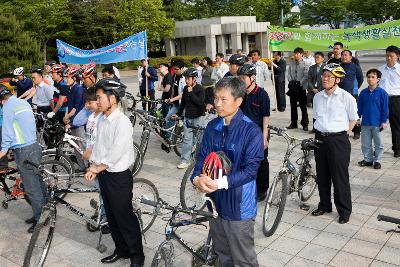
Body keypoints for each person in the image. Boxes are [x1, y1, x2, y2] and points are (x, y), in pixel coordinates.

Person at [191, 77, 264, 266]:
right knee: (222, 253)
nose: (217, 104)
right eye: (216, 98)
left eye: (224, 99)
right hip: (215, 203)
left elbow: (250, 170)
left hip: (239, 205)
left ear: (238, 101)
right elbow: (202, 157)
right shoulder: (212, 126)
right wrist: (197, 178)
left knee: (243, 258)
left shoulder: (251, 130)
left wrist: (219, 183)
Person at [85, 78, 144, 267]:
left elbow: (115, 152)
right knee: (111, 216)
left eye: (100, 97)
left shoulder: (123, 122)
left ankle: (137, 256)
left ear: (113, 99)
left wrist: (97, 167)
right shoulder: (102, 119)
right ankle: (121, 250)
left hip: (119, 177)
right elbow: (100, 147)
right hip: (104, 175)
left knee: (124, 217)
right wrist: (93, 164)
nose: (98, 100)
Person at [312, 63, 358, 224]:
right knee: (322, 175)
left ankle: (344, 211)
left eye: (329, 76)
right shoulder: (317, 97)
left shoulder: (347, 97)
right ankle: (324, 205)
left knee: (340, 177)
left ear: (337, 79)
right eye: (324, 75)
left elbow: (354, 118)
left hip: (338, 140)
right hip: (320, 139)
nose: (325, 78)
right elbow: (316, 117)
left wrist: (345, 133)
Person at [0, 85, 46, 233]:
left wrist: (3, 150)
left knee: (31, 187)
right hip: (33, 146)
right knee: (38, 181)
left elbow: (7, 131)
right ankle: (44, 212)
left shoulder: (7, 107)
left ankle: (40, 218)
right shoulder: (22, 102)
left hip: (24, 150)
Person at [238, 64, 271, 202]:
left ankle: (262, 190)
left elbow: (265, 118)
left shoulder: (262, 94)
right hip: (242, 134)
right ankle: (247, 186)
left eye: (243, 78)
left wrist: (264, 138)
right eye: (239, 78)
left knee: (261, 162)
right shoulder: (240, 94)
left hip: (258, 134)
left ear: (252, 78)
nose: (241, 80)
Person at [172, 68, 205, 169]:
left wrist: (191, 93)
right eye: (185, 78)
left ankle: (199, 160)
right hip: (188, 118)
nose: (186, 81)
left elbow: (200, 103)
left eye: (188, 78)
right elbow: (183, 104)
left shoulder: (200, 89)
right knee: (187, 140)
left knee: (199, 140)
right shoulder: (186, 88)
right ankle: (185, 160)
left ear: (194, 78)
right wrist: (178, 113)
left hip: (198, 117)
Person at [357, 69, 389, 170]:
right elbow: (359, 107)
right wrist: (357, 118)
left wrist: (384, 121)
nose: (370, 79)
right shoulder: (363, 92)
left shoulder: (383, 93)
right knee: (365, 143)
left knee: (378, 143)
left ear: (378, 79)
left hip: (377, 123)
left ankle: (378, 161)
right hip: (365, 122)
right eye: (368, 77)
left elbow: (385, 109)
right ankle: (368, 160)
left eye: (373, 77)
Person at [378, 45, 400, 157]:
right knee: (377, 125)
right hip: (382, 100)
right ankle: (377, 148)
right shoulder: (380, 70)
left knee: (396, 126)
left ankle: (397, 149)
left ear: (398, 56)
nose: (388, 58)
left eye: (391, 56)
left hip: (396, 100)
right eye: (387, 56)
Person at [340, 50, 364, 139]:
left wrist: (355, 88)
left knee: (354, 113)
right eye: (342, 55)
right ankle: (343, 130)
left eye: (346, 55)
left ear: (350, 57)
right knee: (342, 112)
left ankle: (356, 131)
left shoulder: (355, 67)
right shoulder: (339, 67)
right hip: (340, 94)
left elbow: (360, 79)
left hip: (352, 94)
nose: (343, 57)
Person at [287, 47, 309, 131]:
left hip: (301, 88)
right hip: (293, 88)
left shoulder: (305, 64)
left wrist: (299, 83)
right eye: (295, 53)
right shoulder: (291, 63)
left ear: (302, 54)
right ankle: (293, 123)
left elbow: (306, 75)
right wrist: (291, 82)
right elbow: (288, 73)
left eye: (297, 53)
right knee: (293, 106)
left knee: (303, 106)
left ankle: (305, 124)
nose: (295, 55)